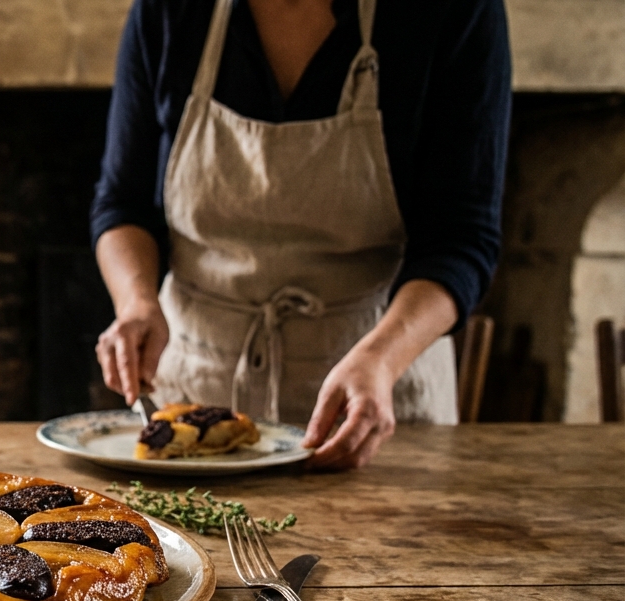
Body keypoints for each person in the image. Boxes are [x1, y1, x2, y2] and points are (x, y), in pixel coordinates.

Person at [91, 0, 510, 469]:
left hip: (374, 399)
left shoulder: (454, 11)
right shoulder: (169, 11)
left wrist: (383, 358)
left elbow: (462, 237)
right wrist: (137, 303)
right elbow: (122, 203)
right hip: (195, 386)